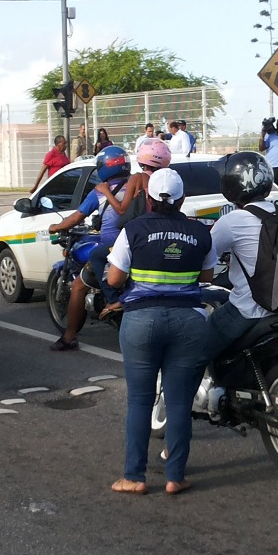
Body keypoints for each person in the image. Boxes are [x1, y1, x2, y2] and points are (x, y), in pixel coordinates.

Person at [105, 168, 217, 496]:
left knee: (140, 400)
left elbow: (113, 279)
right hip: (189, 321)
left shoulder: (133, 230)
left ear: (148, 199)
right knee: (180, 402)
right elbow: (207, 275)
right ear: (182, 199)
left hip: (141, 320)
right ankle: (175, 477)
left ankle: (134, 477)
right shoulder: (199, 232)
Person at [47, 144, 143, 350]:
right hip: (138, 245)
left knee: (79, 286)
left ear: (103, 168)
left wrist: (55, 227)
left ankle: (70, 335)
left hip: (112, 248)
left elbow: (76, 217)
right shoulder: (137, 185)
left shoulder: (100, 192)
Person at [207, 152, 278, 352]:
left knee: (197, 347)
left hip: (251, 309)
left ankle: (216, 384)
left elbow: (205, 261)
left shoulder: (232, 220)